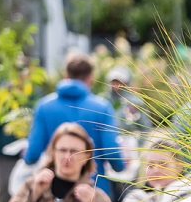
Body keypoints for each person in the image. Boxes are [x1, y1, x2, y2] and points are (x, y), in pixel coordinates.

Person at [23, 55, 123, 194]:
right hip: (94, 187)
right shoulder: (102, 107)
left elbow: (32, 155)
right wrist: (121, 167)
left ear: (65, 75)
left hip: (54, 188)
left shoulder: (44, 106)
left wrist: (25, 156)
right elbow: (112, 153)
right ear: (90, 78)